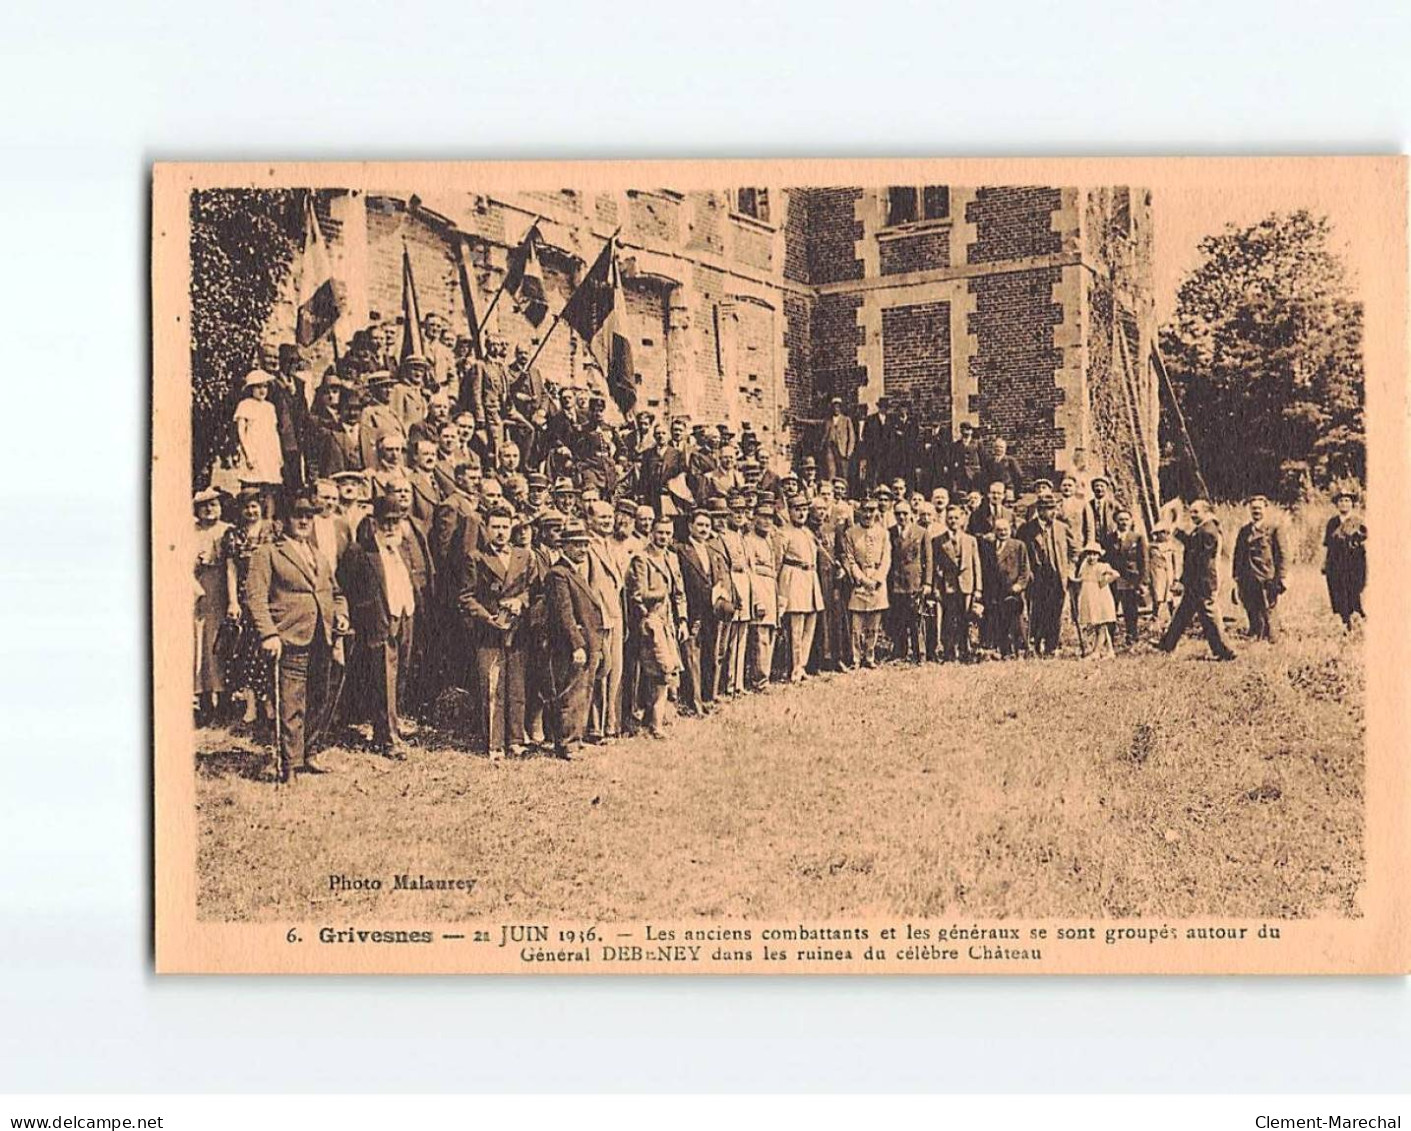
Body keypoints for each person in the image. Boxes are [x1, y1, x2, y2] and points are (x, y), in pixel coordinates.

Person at [242, 497, 349, 779]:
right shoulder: (268, 553)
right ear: (283, 520)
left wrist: (341, 614)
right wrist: (268, 634)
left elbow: (335, 593)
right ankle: (288, 766)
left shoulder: (318, 555)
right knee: (290, 703)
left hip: (322, 636)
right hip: (288, 637)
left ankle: (308, 753)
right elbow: (255, 597)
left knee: (320, 696)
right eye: (297, 515)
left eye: (309, 516)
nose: (304, 521)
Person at [338, 495, 418, 758]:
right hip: (378, 623)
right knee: (383, 679)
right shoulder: (360, 552)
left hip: (405, 617)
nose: (391, 528)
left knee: (400, 676)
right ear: (374, 524)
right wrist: (360, 617)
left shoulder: (402, 549)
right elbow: (345, 587)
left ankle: (393, 725)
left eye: (396, 522)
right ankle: (387, 738)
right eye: (386, 522)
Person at [458, 503, 534, 760]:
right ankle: (495, 744)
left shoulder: (524, 555)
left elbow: (534, 590)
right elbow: (466, 597)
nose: (501, 532)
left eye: (505, 526)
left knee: (517, 686)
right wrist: (487, 617)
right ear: (487, 529)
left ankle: (515, 740)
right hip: (489, 632)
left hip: (518, 630)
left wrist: (520, 602)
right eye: (495, 527)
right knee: (493, 686)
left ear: (512, 527)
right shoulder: (476, 558)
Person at [544, 520, 604, 758]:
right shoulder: (558, 574)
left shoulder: (574, 572)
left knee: (584, 690)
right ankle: (567, 743)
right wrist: (577, 645)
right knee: (570, 692)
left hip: (588, 641)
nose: (582, 549)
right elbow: (564, 614)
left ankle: (576, 738)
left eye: (585, 544)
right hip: (570, 644)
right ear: (564, 547)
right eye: (576, 545)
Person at [221, 487, 280, 724]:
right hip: (245, 599)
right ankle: (252, 702)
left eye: (254, 506)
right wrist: (233, 601)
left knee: (267, 650)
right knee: (247, 651)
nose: (251, 511)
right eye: (246, 506)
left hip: (269, 596)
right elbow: (230, 569)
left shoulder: (273, 530)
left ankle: (269, 701)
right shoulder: (233, 535)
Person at [628, 517, 687, 739]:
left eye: (668, 533)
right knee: (659, 671)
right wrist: (651, 612)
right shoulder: (642, 559)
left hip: (669, 621)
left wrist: (682, 620)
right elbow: (638, 594)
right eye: (660, 533)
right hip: (651, 622)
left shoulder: (671, 558)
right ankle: (653, 723)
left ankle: (659, 719)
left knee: (668, 671)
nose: (664, 537)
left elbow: (679, 592)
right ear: (652, 533)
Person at [1158, 499, 1238, 661]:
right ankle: (1167, 644)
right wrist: (1176, 531)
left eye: (1196, 512)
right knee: (1183, 614)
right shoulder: (1204, 529)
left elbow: (1198, 561)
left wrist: (1182, 580)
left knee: (1209, 615)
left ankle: (1225, 651)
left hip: (1202, 581)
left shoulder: (1207, 531)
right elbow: (1192, 544)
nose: (1192, 515)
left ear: (1207, 511)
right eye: (1191, 512)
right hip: (1198, 580)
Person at [676, 507, 729, 711]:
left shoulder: (713, 551)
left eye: (707, 525)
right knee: (691, 657)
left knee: (710, 654)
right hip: (692, 609)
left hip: (712, 610)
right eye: (700, 525)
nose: (704, 529)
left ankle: (708, 697)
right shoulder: (681, 550)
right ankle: (693, 702)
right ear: (690, 526)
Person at [584, 500, 627, 741]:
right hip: (598, 619)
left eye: (610, 517)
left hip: (616, 616)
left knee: (615, 674)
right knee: (601, 671)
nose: (608, 521)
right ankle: (595, 727)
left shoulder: (613, 546)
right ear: (589, 520)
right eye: (602, 517)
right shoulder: (587, 546)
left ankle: (611, 724)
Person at [1020, 494, 1079, 656]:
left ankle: (1051, 647)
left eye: (1054, 508)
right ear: (1040, 511)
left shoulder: (1062, 527)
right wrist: (1027, 573)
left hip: (1058, 577)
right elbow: (1021, 553)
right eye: (1049, 509)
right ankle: (1036, 643)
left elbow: (1075, 551)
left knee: (1055, 612)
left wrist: (1070, 570)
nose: (1053, 512)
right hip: (1037, 577)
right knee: (1038, 611)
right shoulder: (1027, 529)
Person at [193, 488, 231, 724]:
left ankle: (226, 699)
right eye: (205, 505)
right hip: (200, 587)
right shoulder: (191, 532)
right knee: (203, 642)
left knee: (223, 641)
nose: (209, 509)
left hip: (223, 588)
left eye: (214, 504)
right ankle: (206, 698)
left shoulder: (227, 531)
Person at [777, 495, 825, 682]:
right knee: (795, 629)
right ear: (789, 511)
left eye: (804, 509)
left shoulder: (808, 532)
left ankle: (802, 666)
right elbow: (777, 562)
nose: (801, 513)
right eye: (797, 509)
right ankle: (794, 667)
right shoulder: (783, 532)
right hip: (793, 578)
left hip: (810, 579)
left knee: (809, 625)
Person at [840, 496, 890, 669]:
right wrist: (860, 578)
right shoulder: (851, 533)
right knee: (857, 625)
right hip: (859, 581)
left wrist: (877, 579)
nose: (868, 514)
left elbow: (886, 559)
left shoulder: (883, 533)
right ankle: (855, 658)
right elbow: (850, 559)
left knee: (873, 624)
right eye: (865, 510)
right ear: (859, 511)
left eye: (871, 510)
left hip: (877, 580)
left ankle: (869, 656)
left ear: (876, 512)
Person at [1232, 494, 1289, 643]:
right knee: (1250, 606)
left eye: (1259, 508)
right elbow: (1238, 554)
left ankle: (1272, 639)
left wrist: (1282, 577)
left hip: (1266, 577)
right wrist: (1236, 576)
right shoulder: (1244, 530)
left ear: (1266, 509)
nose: (1256, 511)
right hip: (1247, 576)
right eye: (1253, 508)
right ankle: (1255, 633)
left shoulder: (1274, 528)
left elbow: (1283, 554)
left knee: (1268, 609)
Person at [931, 504, 981, 662]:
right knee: (949, 619)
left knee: (965, 619)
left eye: (956, 518)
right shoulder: (938, 541)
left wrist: (978, 588)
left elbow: (976, 564)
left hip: (967, 585)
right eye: (950, 518)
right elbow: (936, 567)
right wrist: (936, 588)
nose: (953, 521)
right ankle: (949, 652)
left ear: (962, 519)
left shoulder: (970, 540)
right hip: (949, 585)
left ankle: (966, 651)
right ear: (945, 520)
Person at [744, 500, 784, 690]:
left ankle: (765, 675)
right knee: (760, 636)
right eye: (763, 517)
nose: (767, 521)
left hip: (771, 587)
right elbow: (750, 571)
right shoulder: (749, 540)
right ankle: (758, 679)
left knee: (770, 633)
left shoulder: (769, 539)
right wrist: (757, 599)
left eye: (769, 518)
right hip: (759, 587)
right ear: (754, 518)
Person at [887, 498, 930, 663]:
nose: (902, 517)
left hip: (915, 582)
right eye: (898, 514)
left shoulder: (921, 532)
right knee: (898, 619)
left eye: (905, 513)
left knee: (916, 619)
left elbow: (928, 560)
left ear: (912, 514)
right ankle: (900, 652)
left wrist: (927, 583)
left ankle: (920, 654)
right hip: (896, 582)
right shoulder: (890, 532)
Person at [985, 514, 1031, 658]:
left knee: (1017, 622)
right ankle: (1004, 651)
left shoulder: (1018, 545)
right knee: (1000, 621)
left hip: (1013, 590)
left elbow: (1025, 569)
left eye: (1005, 530)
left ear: (1010, 530)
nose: (1003, 533)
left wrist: (1020, 585)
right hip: (996, 591)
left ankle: (1022, 651)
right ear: (995, 531)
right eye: (999, 530)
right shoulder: (989, 547)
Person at [1322, 488, 1367, 629]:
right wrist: (1325, 563)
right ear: (1337, 504)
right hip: (1335, 563)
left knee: (1353, 591)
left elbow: (1364, 544)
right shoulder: (1332, 523)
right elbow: (1328, 545)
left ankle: (1358, 619)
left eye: (1347, 500)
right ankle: (1345, 621)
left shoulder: (1358, 522)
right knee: (1337, 591)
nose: (1344, 504)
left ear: (1352, 504)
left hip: (1354, 563)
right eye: (1341, 501)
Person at [233, 370, 283, 495]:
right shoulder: (245, 405)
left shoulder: (270, 407)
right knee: (252, 485)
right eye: (258, 386)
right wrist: (248, 454)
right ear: (251, 389)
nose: (262, 390)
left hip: (268, 450)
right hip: (253, 450)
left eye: (265, 386)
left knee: (269, 487)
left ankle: (268, 513)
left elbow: (274, 432)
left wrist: (278, 454)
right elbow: (241, 432)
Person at [1107, 508, 1149, 645]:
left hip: (1131, 579)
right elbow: (1106, 559)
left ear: (1131, 521)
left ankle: (1132, 637)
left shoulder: (1137, 537)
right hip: (1113, 579)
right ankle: (1109, 639)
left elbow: (1144, 560)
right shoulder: (1109, 538)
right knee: (1110, 609)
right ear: (1115, 521)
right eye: (1121, 519)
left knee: (1130, 610)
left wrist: (1142, 581)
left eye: (1126, 519)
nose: (1123, 522)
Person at [1073, 541, 1119, 660]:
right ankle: (1109, 650)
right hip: (1088, 596)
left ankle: (1097, 651)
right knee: (1094, 623)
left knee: (1101, 623)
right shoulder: (1084, 566)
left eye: (1094, 554)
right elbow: (1081, 578)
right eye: (1089, 554)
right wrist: (1072, 580)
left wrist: (1104, 582)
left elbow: (1116, 574)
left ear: (1099, 555)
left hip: (1100, 596)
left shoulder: (1102, 566)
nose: (1092, 557)